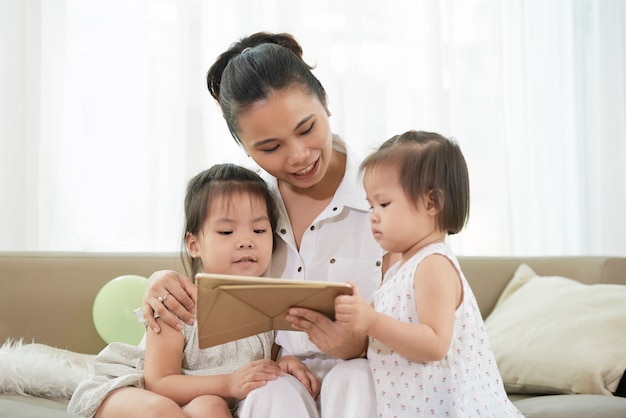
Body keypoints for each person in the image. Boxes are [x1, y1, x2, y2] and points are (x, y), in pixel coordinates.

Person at [141, 32, 386, 417]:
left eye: (306, 129)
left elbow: (429, 316)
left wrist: (358, 345)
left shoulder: (386, 194)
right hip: (279, 384)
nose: (298, 156)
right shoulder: (249, 209)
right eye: (270, 148)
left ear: (326, 104)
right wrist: (161, 282)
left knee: (355, 378)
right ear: (243, 147)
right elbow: (210, 266)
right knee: (271, 392)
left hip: (369, 381)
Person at [68, 163, 319, 418]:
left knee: (211, 406)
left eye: (259, 230)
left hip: (198, 400)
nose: (246, 241)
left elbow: (268, 359)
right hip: (135, 388)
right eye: (226, 231)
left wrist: (284, 363)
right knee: (161, 410)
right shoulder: (179, 303)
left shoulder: (267, 305)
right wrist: (228, 383)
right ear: (194, 244)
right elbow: (159, 382)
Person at [334, 130, 523, 417]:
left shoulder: (433, 264)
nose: (373, 215)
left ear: (431, 203)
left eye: (384, 204)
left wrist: (371, 320)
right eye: (371, 205)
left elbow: (435, 343)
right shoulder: (399, 268)